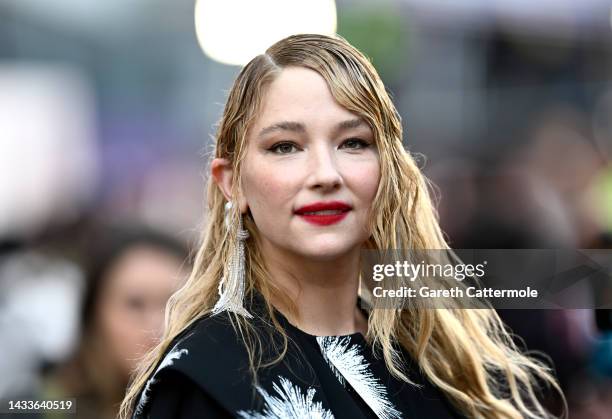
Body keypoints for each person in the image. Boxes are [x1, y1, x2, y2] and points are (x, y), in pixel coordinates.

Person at [119, 34, 565, 419]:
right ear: (232, 182)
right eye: (285, 146)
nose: (325, 174)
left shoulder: (435, 361)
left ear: (386, 169)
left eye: (353, 142)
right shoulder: (203, 378)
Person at [41, 225, 189, 419]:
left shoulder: (219, 403)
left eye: (177, 304)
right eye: (135, 304)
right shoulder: (34, 406)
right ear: (94, 313)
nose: (160, 325)